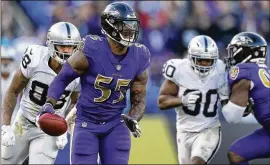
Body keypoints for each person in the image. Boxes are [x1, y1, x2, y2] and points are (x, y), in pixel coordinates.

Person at [37, 2, 150, 164]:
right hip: (86, 123)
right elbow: (63, 78)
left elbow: (139, 98)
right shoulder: (92, 48)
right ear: (109, 26)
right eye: (123, 25)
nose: (129, 29)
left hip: (115, 124)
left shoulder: (140, 55)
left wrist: (133, 117)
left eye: (131, 25)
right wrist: (49, 103)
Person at [1, 22, 81, 164]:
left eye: (71, 47)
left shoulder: (79, 69)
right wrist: (6, 126)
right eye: (62, 46)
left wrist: (66, 124)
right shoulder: (35, 57)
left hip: (50, 129)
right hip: (24, 121)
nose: (66, 52)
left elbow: (74, 103)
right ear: (51, 44)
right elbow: (13, 90)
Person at [158, 35, 229, 164]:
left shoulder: (221, 69)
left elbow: (228, 105)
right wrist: (183, 100)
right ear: (191, 57)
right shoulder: (179, 69)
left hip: (209, 129)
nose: (204, 64)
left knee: (197, 162)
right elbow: (162, 101)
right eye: (200, 60)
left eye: (208, 60)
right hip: (184, 130)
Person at [222, 32, 270, 164]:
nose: (231, 55)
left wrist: (223, 97)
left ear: (244, 52)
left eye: (234, 51)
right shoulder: (263, 70)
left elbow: (232, 117)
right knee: (237, 153)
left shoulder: (244, 71)